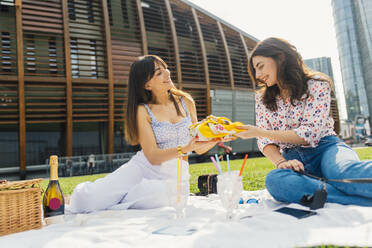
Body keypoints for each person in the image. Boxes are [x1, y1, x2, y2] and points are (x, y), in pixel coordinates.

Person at [67, 55, 217, 213]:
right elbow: (152, 155)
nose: (168, 73)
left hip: (175, 175)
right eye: (159, 73)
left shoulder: (186, 102)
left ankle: (113, 201)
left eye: (166, 68)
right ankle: (94, 197)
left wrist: (216, 137)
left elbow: (199, 147)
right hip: (143, 168)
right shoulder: (143, 110)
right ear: (147, 85)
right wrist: (185, 148)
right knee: (86, 201)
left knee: (162, 196)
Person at [235, 37, 372, 206]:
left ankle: (325, 188)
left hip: (327, 148)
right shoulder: (262, 99)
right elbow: (265, 141)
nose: (258, 75)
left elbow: (309, 133)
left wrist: (259, 131)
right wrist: (282, 163)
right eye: (255, 70)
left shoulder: (317, 84)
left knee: (341, 172)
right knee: (275, 180)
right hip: (293, 160)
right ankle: (346, 195)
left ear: (280, 57)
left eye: (260, 66)